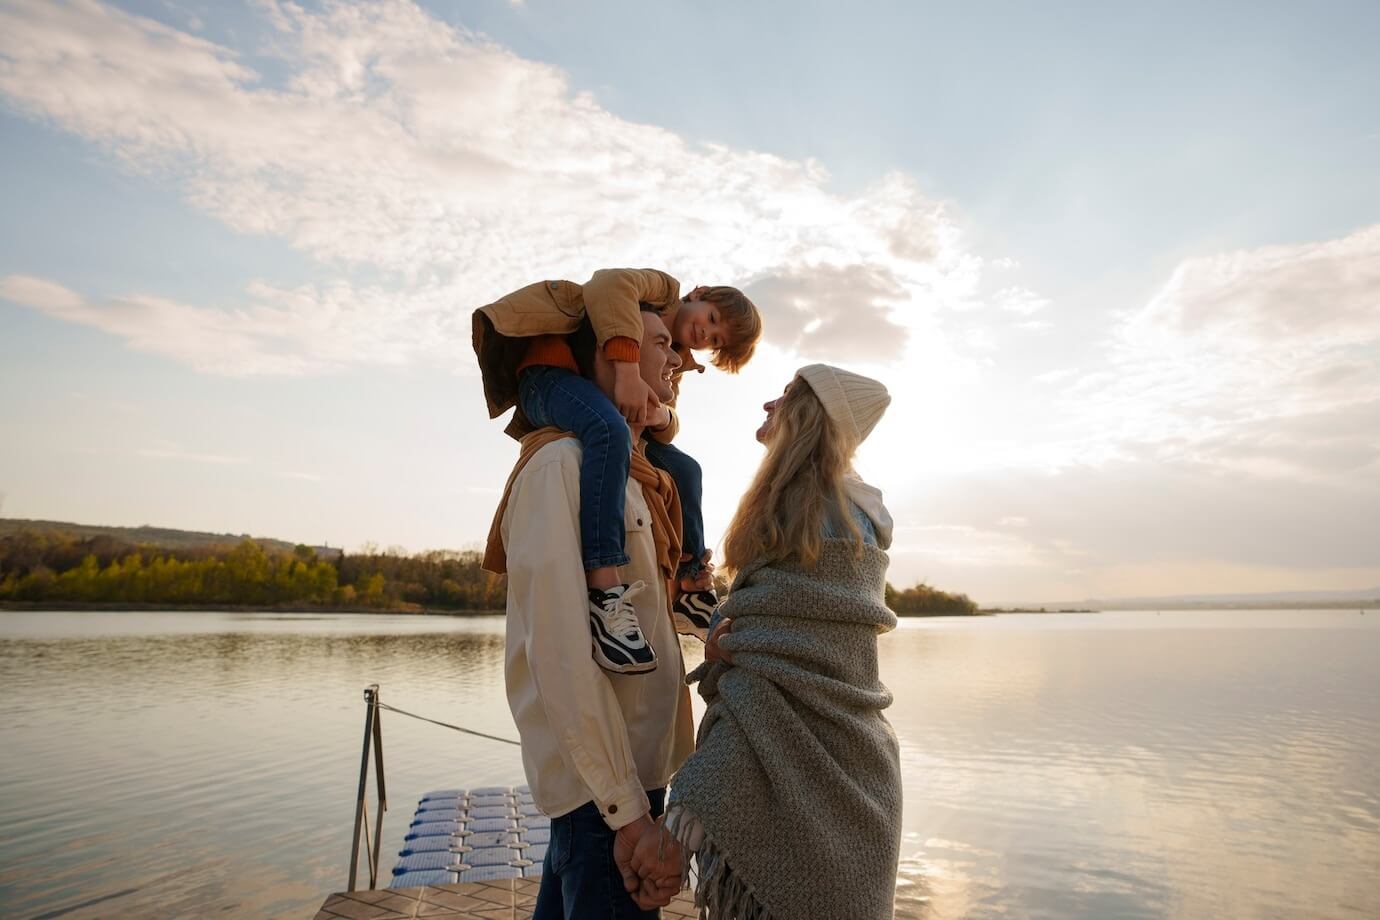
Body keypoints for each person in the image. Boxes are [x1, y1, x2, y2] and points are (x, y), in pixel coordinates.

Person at [659, 364, 903, 920]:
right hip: (841, 749)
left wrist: (736, 640)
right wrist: (729, 634)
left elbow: (810, 638)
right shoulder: (812, 506)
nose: (769, 403)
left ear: (809, 417)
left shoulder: (829, 512)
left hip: (828, 743)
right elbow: (777, 621)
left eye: (787, 395)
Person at [483, 308, 695, 918]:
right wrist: (628, 815)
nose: (677, 358)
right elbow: (560, 653)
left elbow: (645, 619)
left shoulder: (633, 478)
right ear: (610, 355)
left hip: (629, 782)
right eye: (661, 343)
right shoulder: (561, 466)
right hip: (605, 799)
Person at [473, 269, 762, 673]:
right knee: (608, 430)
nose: (705, 334)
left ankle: (691, 581)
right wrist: (627, 371)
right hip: (551, 378)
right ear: (699, 294)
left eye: (715, 341)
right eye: (711, 319)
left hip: (601, 398)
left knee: (685, 468)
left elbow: (669, 419)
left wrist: (660, 413)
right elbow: (608, 284)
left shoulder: (672, 358)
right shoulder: (662, 291)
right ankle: (605, 590)